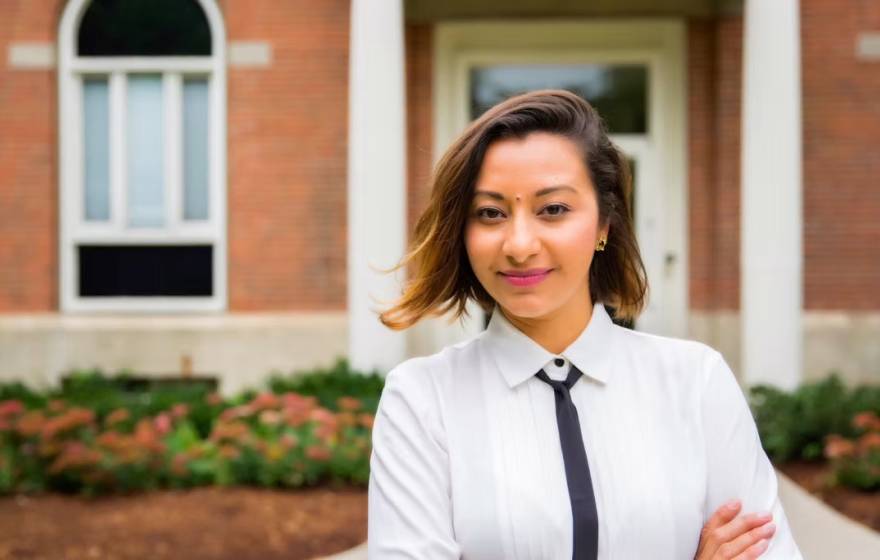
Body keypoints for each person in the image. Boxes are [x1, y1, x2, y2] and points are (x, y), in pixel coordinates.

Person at [367, 89, 804, 559]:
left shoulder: (695, 381)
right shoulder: (421, 399)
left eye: (553, 209)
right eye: (490, 213)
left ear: (603, 225)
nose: (518, 244)